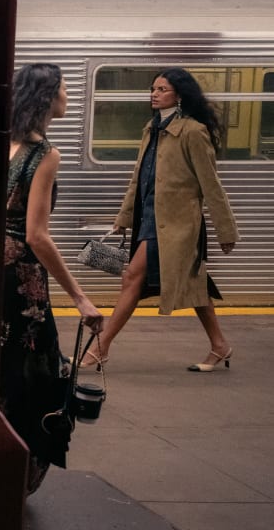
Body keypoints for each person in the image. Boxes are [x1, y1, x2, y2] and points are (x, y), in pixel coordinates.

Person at [88, 68, 239, 372]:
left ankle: (99, 348)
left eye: (162, 89)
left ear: (179, 95)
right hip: (149, 218)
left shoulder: (193, 132)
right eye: (153, 89)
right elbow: (139, 177)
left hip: (177, 224)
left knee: (132, 277)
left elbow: (211, 185)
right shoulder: (152, 128)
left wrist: (226, 230)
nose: (154, 94)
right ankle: (220, 345)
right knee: (194, 284)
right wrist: (123, 217)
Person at [1, 64, 105, 493]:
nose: (67, 97)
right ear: (45, 98)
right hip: (24, 281)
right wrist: (80, 297)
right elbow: (37, 236)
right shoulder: (44, 154)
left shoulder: (2, 143)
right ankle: (19, 473)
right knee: (35, 374)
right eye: (63, 89)